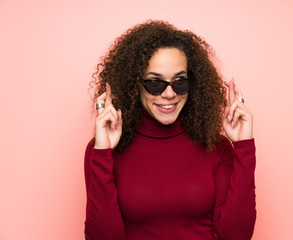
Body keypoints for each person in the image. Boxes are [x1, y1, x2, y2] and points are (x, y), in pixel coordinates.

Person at [84, 20, 256, 240]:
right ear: (134, 84)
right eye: (155, 83)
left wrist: (243, 147)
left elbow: (236, 236)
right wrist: (102, 153)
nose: (169, 94)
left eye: (180, 82)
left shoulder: (217, 148)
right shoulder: (103, 150)